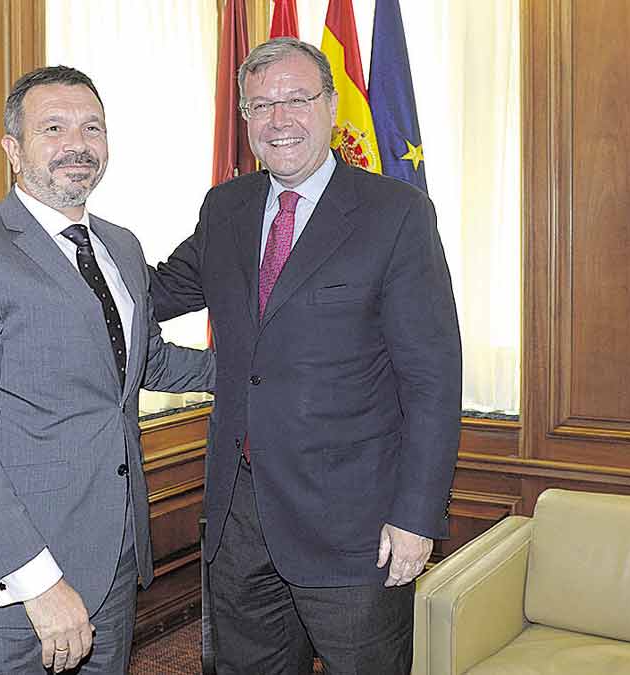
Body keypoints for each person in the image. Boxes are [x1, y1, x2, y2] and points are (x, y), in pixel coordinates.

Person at [150, 38, 461, 674]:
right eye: (261, 105)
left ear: (330, 106)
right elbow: (152, 293)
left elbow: (431, 378)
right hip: (239, 519)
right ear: (245, 119)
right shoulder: (226, 208)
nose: (280, 119)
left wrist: (416, 517)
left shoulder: (395, 214)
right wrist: (67, 250)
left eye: (297, 99)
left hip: (356, 526)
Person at [0, 65, 215, 674]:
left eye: (92, 128)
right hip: (12, 586)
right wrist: (39, 584)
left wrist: (264, 366)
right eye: (53, 128)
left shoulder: (120, 246)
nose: (77, 144)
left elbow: (140, 362)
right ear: (13, 150)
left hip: (113, 563)